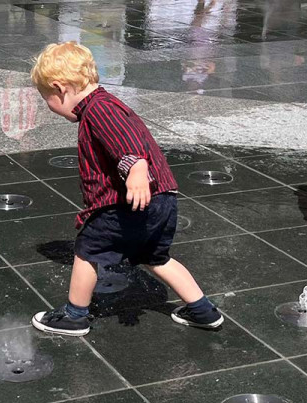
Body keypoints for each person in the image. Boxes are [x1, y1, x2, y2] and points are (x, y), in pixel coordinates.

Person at [28, 41, 223, 336]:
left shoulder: (99, 110)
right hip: (162, 199)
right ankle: (202, 310)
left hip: (123, 203)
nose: (49, 106)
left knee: (87, 251)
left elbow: (128, 142)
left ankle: (74, 316)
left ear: (59, 88)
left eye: (46, 98)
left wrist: (136, 168)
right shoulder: (107, 102)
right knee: (157, 257)